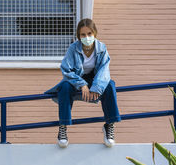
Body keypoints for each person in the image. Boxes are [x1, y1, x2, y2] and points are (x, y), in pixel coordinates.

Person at [45, 18, 121, 148]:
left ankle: (109, 125)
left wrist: (96, 87)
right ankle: (63, 127)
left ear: (95, 33)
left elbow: (104, 71)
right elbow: (66, 69)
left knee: (110, 85)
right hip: (76, 79)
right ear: (79, 36)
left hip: (95, 79)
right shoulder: (73, 49)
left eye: (89, 34)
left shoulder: (102, 48)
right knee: (64, 86)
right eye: (83, 35)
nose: (87, 37)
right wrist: (82, 84)